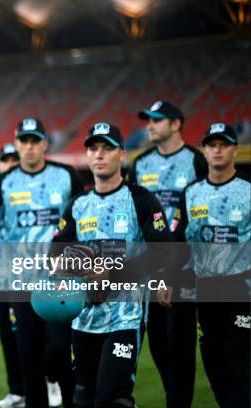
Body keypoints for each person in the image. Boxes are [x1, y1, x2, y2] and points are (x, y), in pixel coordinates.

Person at [53, 122, 174, 408]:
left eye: (107, 148)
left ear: (121, 153)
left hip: (125, 317)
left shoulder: (141, 198)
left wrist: (112, 273)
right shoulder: (77, 205)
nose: (99, 155)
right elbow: (54, 257)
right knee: (83, 397)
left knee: (112, 398)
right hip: (84, 318)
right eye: (93, 149)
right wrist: (77, 268)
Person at [0, 118, 84, 408]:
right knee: (29, 357)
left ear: (45, 144)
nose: (29, 147)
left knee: (60, 351)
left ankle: (70, 399)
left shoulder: (67, 176)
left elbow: (84, 224)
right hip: (19, 284)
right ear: (17, 144)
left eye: (35, 140)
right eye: (23, 141)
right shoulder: (3, 182)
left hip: (60, 282)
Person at [128, 100, 207, 407]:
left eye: (157, 120)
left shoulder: (196, 161)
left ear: (176, 124)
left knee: (181, 343)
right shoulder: (141, 163)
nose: (150, 125)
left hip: (184, 267)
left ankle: (178, 402)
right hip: (149, 268)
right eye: (148, 119)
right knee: (158, 343)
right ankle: (174, 394)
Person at [176, 123, 249, 408]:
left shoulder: (248, 189)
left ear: (235, 149)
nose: (217, 149)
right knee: (214, 361)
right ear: (204, 151)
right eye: (212, 144)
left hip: (242, 286)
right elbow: (181, 242)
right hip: (206, 288)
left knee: (239, 358)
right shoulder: (191, 193)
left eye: (223, 144)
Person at [0, 144, 28, 408]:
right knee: (9, 339)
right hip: (5, 278)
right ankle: (17, 391)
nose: (10, 163)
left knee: (43, 338)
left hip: (40, 276)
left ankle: (52, 381)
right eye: (6, 159)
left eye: (14, 158)